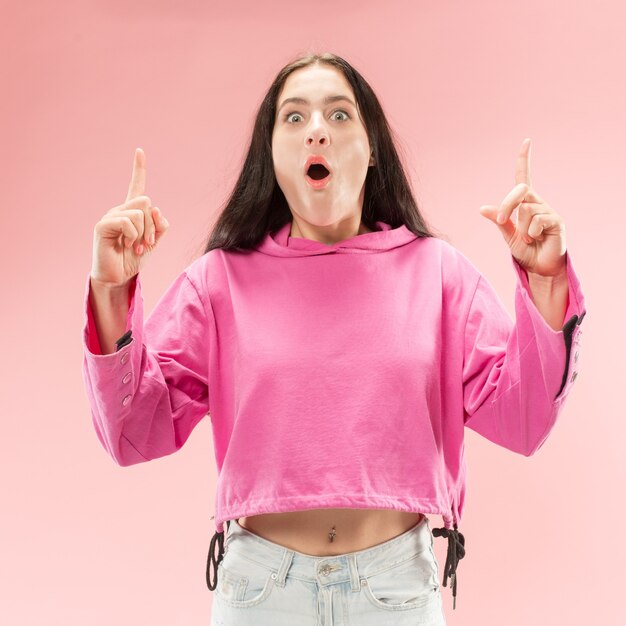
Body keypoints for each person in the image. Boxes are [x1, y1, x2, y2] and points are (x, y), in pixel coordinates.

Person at [82, 52, 587, 624]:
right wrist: (111, 290)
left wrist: (546, 280)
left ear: (372, 150)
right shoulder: (218, 281)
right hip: (259, 593)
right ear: (271, 156)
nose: (316, 129)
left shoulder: (440, 274)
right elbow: (132, 434)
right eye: (293, 118)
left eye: (339, 115)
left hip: (395, 591)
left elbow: (523, 421)